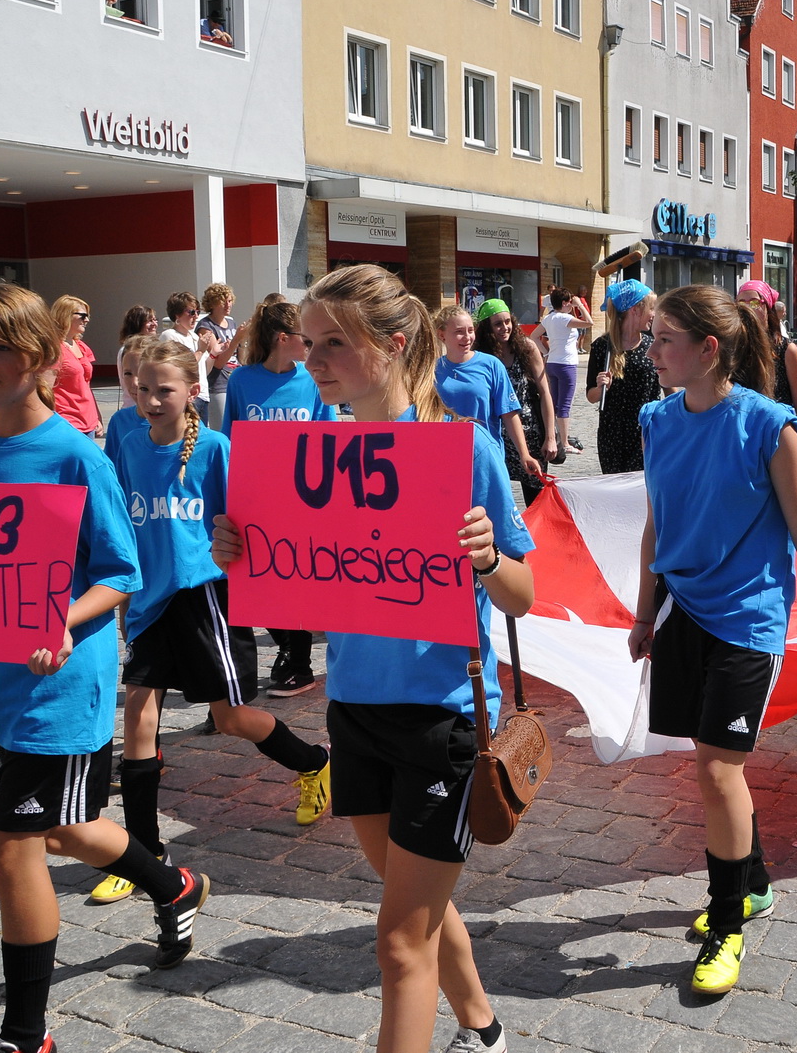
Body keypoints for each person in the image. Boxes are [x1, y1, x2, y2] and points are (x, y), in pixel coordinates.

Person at [0, 285, 207, 1053]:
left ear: (41, 357)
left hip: (63, 678)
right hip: (1, 675)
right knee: (62, 830)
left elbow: (120, 572)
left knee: (11, 842)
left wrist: (62, 620)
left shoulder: (77, 453)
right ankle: (173, 883)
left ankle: (27, 1035)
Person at [211, 265, 534, 1053]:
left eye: (333, 344)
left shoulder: (464, 449)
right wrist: (241, 552)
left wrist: (489, 560)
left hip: (443, 722)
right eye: (308, 341)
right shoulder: (308, 457)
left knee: (397, 940)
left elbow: (523, 595)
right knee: (411, 903)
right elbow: (306, 586)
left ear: (392, 346)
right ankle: (485, 1028)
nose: (313, 359)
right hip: (353, 713)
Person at [632, 284, 797, 995]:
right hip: (681, 612)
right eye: (652, 336)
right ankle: (751, 879)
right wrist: (642, 612)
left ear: (707, 349)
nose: (652, 350)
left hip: (749, 618)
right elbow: (654, 523)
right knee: (709, 757)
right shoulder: (655, 420)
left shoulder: (768, 424)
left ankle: (725, 922)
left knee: (718, 768)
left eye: (665, 338)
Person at [90, 340, 334, 906]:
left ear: (192, 390)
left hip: (204, 600)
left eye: (163, 389)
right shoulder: (125, 447)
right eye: (141, 387)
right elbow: (124, 533)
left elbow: (253, 524)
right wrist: (125, 598)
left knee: (230, 719)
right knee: (137, 714)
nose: (150, 399)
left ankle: (315, 762)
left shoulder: (216, 449)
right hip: (150, 603)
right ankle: (145, 855)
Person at [218, 300, 337, 697]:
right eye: (303, 339)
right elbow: (230, 440)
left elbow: (328, 439)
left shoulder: (311, 380)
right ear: (282, 339)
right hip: (255, 499)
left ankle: (298, 663)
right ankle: (288, 646)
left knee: (296, 579)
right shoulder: (241, 380)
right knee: (255, 581)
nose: (310, 348)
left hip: (302, 500)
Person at [435, 304, 536, 479]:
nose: (467, 337)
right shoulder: (432, 370)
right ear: (441, 335)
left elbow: (509, 412)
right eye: (459, 331)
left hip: (486, 455)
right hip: (445, 457)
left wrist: (524, 453)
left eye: (470, 330)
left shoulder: (491, 365)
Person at [475, 299, 558, 506]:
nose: (505, 328)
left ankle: (535, 538)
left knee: (536, 498)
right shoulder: (481, 355)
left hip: (529, 431)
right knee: (495, 497)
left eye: (507, 321)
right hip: (496, 434)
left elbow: (545, 393)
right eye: (497, 324)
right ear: (487, 328)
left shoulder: (526, 347)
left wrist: (550, 437)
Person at [586, 279, 661, 473]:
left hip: (646, 432)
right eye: (651, 308)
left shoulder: (653, 345)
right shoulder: (602, 347)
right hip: (612, 436)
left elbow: (670, 389)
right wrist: (601, 386)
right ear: (635, 309)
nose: (653, 314)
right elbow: (591, 396)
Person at [738, 279, 797, 438]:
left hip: (778, 435)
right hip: (743, 435)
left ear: (768, 308)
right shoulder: (731, 348)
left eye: (754, 302)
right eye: (741, 303)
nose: (747, 308)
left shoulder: (787, 350)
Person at [539, 288, 592, 457]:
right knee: (564, 405)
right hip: (566, 365)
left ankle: (552, 436)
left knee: (553, 403)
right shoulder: (565, 318)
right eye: (569, 301)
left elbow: (533, 336)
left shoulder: (549, 318)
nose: (571, 304)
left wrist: (546, 352)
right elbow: (589, 323)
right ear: (564, 303)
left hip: (553, 362)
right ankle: (565, 442)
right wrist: (580, 306)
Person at [48, 295, 101, 439]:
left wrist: (97, 417)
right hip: (66, 422)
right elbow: (44, 389)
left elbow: (86, 385)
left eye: (88, 316)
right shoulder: (53, 349)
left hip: (88, 421)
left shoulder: (82, 346)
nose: (87, 320)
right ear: (65, 315)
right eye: (83, 315)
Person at [159, 292, 216, 422]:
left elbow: (204, 370)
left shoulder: (195, 337)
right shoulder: (169, 336)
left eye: (197, 311)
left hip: (202, 395)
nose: (196, 316)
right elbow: (180, 368)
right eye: (191, 312)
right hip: (186, 397)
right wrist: (200, 351)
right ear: (177, 315)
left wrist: (214, 354)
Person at [103, 335, 153, 473]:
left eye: (141, 372)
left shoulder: (182, 422)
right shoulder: (119, 421)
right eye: (128, 373)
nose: (135, 382)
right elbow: (112, 469)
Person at [196, 284, 241, 430]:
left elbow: (241, 358)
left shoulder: (232, 322)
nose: (228, 305)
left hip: (234, 381)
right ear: (213, 303)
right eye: (223, 301)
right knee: (222, 430)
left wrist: (243, 342)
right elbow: (218, 362)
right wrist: (235, 341)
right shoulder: (206, 326)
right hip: (218, 384)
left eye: (230, 300)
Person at [117, 305, 159, 376]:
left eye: (155, 320)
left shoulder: (155, 346)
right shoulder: (128, 350)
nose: (154, 324)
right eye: (149, 321)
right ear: (137, 324)